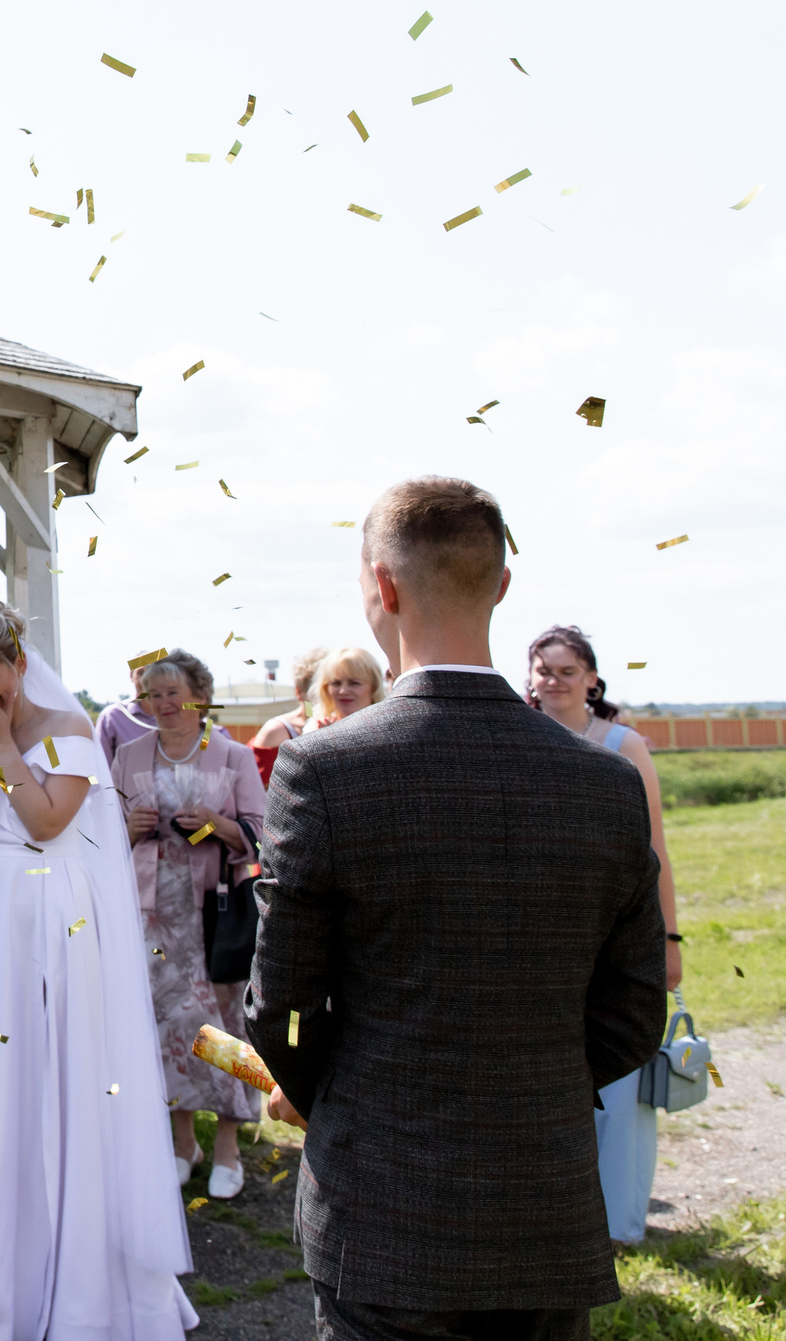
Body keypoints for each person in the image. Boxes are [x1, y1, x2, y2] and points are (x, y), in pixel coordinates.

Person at [248, 476, 667, 1340]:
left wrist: (331, 1096)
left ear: (383, 587)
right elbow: (632, 1011)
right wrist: (531, 1091)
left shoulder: (327, 768)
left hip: (382, 1200)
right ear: (502, 586)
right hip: (544, 1196)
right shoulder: (606, 781)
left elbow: (283, 1004)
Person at [0, 599, 195, 1338]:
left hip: (58, 919)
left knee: (62, 1073)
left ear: (21, 665)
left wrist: (5, 741)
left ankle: (76, 1274)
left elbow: (43, 821)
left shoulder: (67, 733)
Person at [526, 624, 683, 1248]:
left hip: (615, 925)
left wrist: (669, 939)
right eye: (543, 670)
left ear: (592, 677)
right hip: (542, 928)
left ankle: (616, 1219)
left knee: (618, 1073)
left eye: (567, 670)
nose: (554, 681)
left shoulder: (624, 746)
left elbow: (655, 849)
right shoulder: (522, 735)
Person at [114, 649, 263, 1198]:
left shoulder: (230, 754)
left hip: (216, 911)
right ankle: (183, 1142)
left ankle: (228, 1145)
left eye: (173, 692)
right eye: (153, 695)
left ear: (199, 695)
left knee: (226, 1024)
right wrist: (128, 826)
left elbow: (261, 830)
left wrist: (218, 825)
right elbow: (99, 835)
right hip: (152, 912)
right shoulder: (128, 755)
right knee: (168, 1024)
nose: (164, 704)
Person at [250, 648, 377, 779]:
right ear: (299, 692)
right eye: (336, 683)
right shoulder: (279, 730)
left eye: (354, 683)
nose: (343, 691)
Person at [248, 645, 327, 780]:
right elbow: (259, 788)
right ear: (299, 692)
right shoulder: (277, 731)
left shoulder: (339, 723)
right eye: (316, 692)